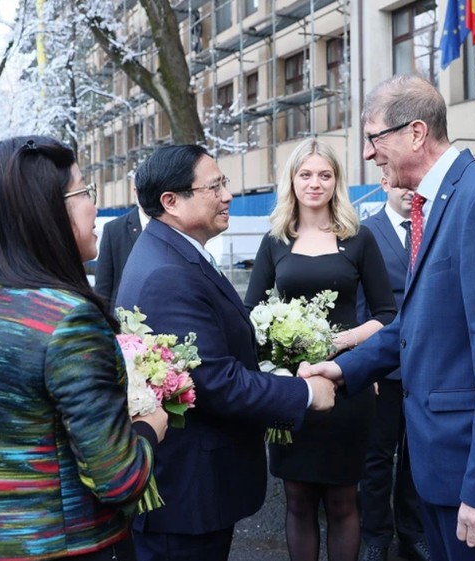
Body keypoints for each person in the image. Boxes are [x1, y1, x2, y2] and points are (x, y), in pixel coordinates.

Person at [300, 75, 475, 561]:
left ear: (415, 133)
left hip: (473, 475)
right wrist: (343, 367)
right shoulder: (439, 201)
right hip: (442, 466)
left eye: (374, 138)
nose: (368, 154)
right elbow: (417, 321)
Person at [0, 136, 168, 561]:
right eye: (85, 191)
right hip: (63, 543)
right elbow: (118, 478)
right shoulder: (67, 318)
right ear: (46, 210)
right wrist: (149, 426)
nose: (94, 207)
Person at [115, 144, 337, 561]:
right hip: (188, 493)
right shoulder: (168, 272)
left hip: (195, 484)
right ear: (171, 202)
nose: (227, 194)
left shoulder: (174, 253)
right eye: (214, 186)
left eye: (224, 183)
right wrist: (305, 393)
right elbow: (214, 382)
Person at [243, 138, 396, 561]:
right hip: (292, 388)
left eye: (325, 175)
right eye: (306, 174)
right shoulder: (275, 239)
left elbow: (386, 314)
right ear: (291, 181)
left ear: (337, 181)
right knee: (298, 499)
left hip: (348, 384)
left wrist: (339, 342)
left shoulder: (358, 239)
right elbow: (249, 311)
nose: (315, 183)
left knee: (344, 500)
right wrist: (274, 352)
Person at [356, 175, 430, 561]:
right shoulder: (365, 232)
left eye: (416, 186)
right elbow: (359, 302)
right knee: (377, 456)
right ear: (385, 183)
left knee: (418, 455)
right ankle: (375, 537)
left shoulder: (435, 225)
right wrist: (363, 367)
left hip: (427, 366)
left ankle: (412, 531)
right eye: (402, 185)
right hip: (382, 367)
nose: (409, 192)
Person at [94, 203, 145, 312]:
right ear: (136, 191)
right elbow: (103, 285)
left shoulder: (173, 226)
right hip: (122, 319)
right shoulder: (114, 229)